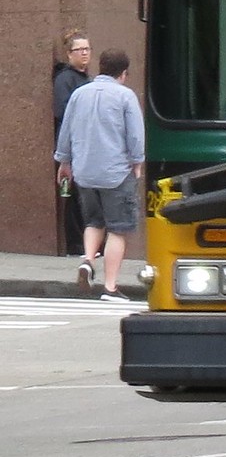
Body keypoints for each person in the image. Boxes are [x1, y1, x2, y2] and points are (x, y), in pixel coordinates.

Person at [53, 47, 145, 301]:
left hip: (84, 171)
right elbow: (135, 134)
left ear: (100, 67)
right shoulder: (125, 97)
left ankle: (88, 261)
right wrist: (137, 161)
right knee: (118, 229)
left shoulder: (79, 95)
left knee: (93, 222)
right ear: (123, 73)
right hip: (116, 172)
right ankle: (111, 287)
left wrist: (64, 161)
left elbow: (67, 130)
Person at [52, 29, 93, 256]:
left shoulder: (85, 78)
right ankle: (75, 244)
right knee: (74, 196)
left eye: (87, 49)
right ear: (69, 54)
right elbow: (62, 111)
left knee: (83, 196)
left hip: (84, 145)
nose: (85, 53)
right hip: (72, 147)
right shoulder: (65, 79)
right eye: (80, 49)